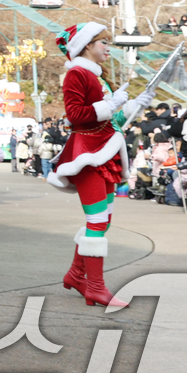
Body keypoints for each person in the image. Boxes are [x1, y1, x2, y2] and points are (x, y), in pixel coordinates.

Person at [46, 23, 150, 308]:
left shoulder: (96, 76)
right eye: (103, 42)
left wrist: (132, 107)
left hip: (104, 150)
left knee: (104, 220)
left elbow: (109, 121)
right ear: (86, 45)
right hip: (88, 155)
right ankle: (94, 287)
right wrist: (112, 104)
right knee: (97, 221)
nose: (108, 48)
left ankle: (77, 275)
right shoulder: (77, 73)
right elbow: (75, 115)